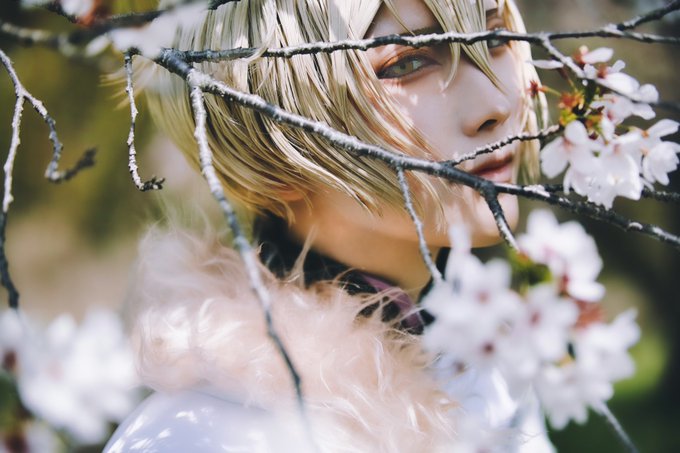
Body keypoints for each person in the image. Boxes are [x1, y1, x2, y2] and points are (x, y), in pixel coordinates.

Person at [106, 0, 554, 451]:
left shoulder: (484, 372)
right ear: (274, 146)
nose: (494, 104)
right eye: (406, 63)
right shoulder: (200, 435)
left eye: (494, 37)